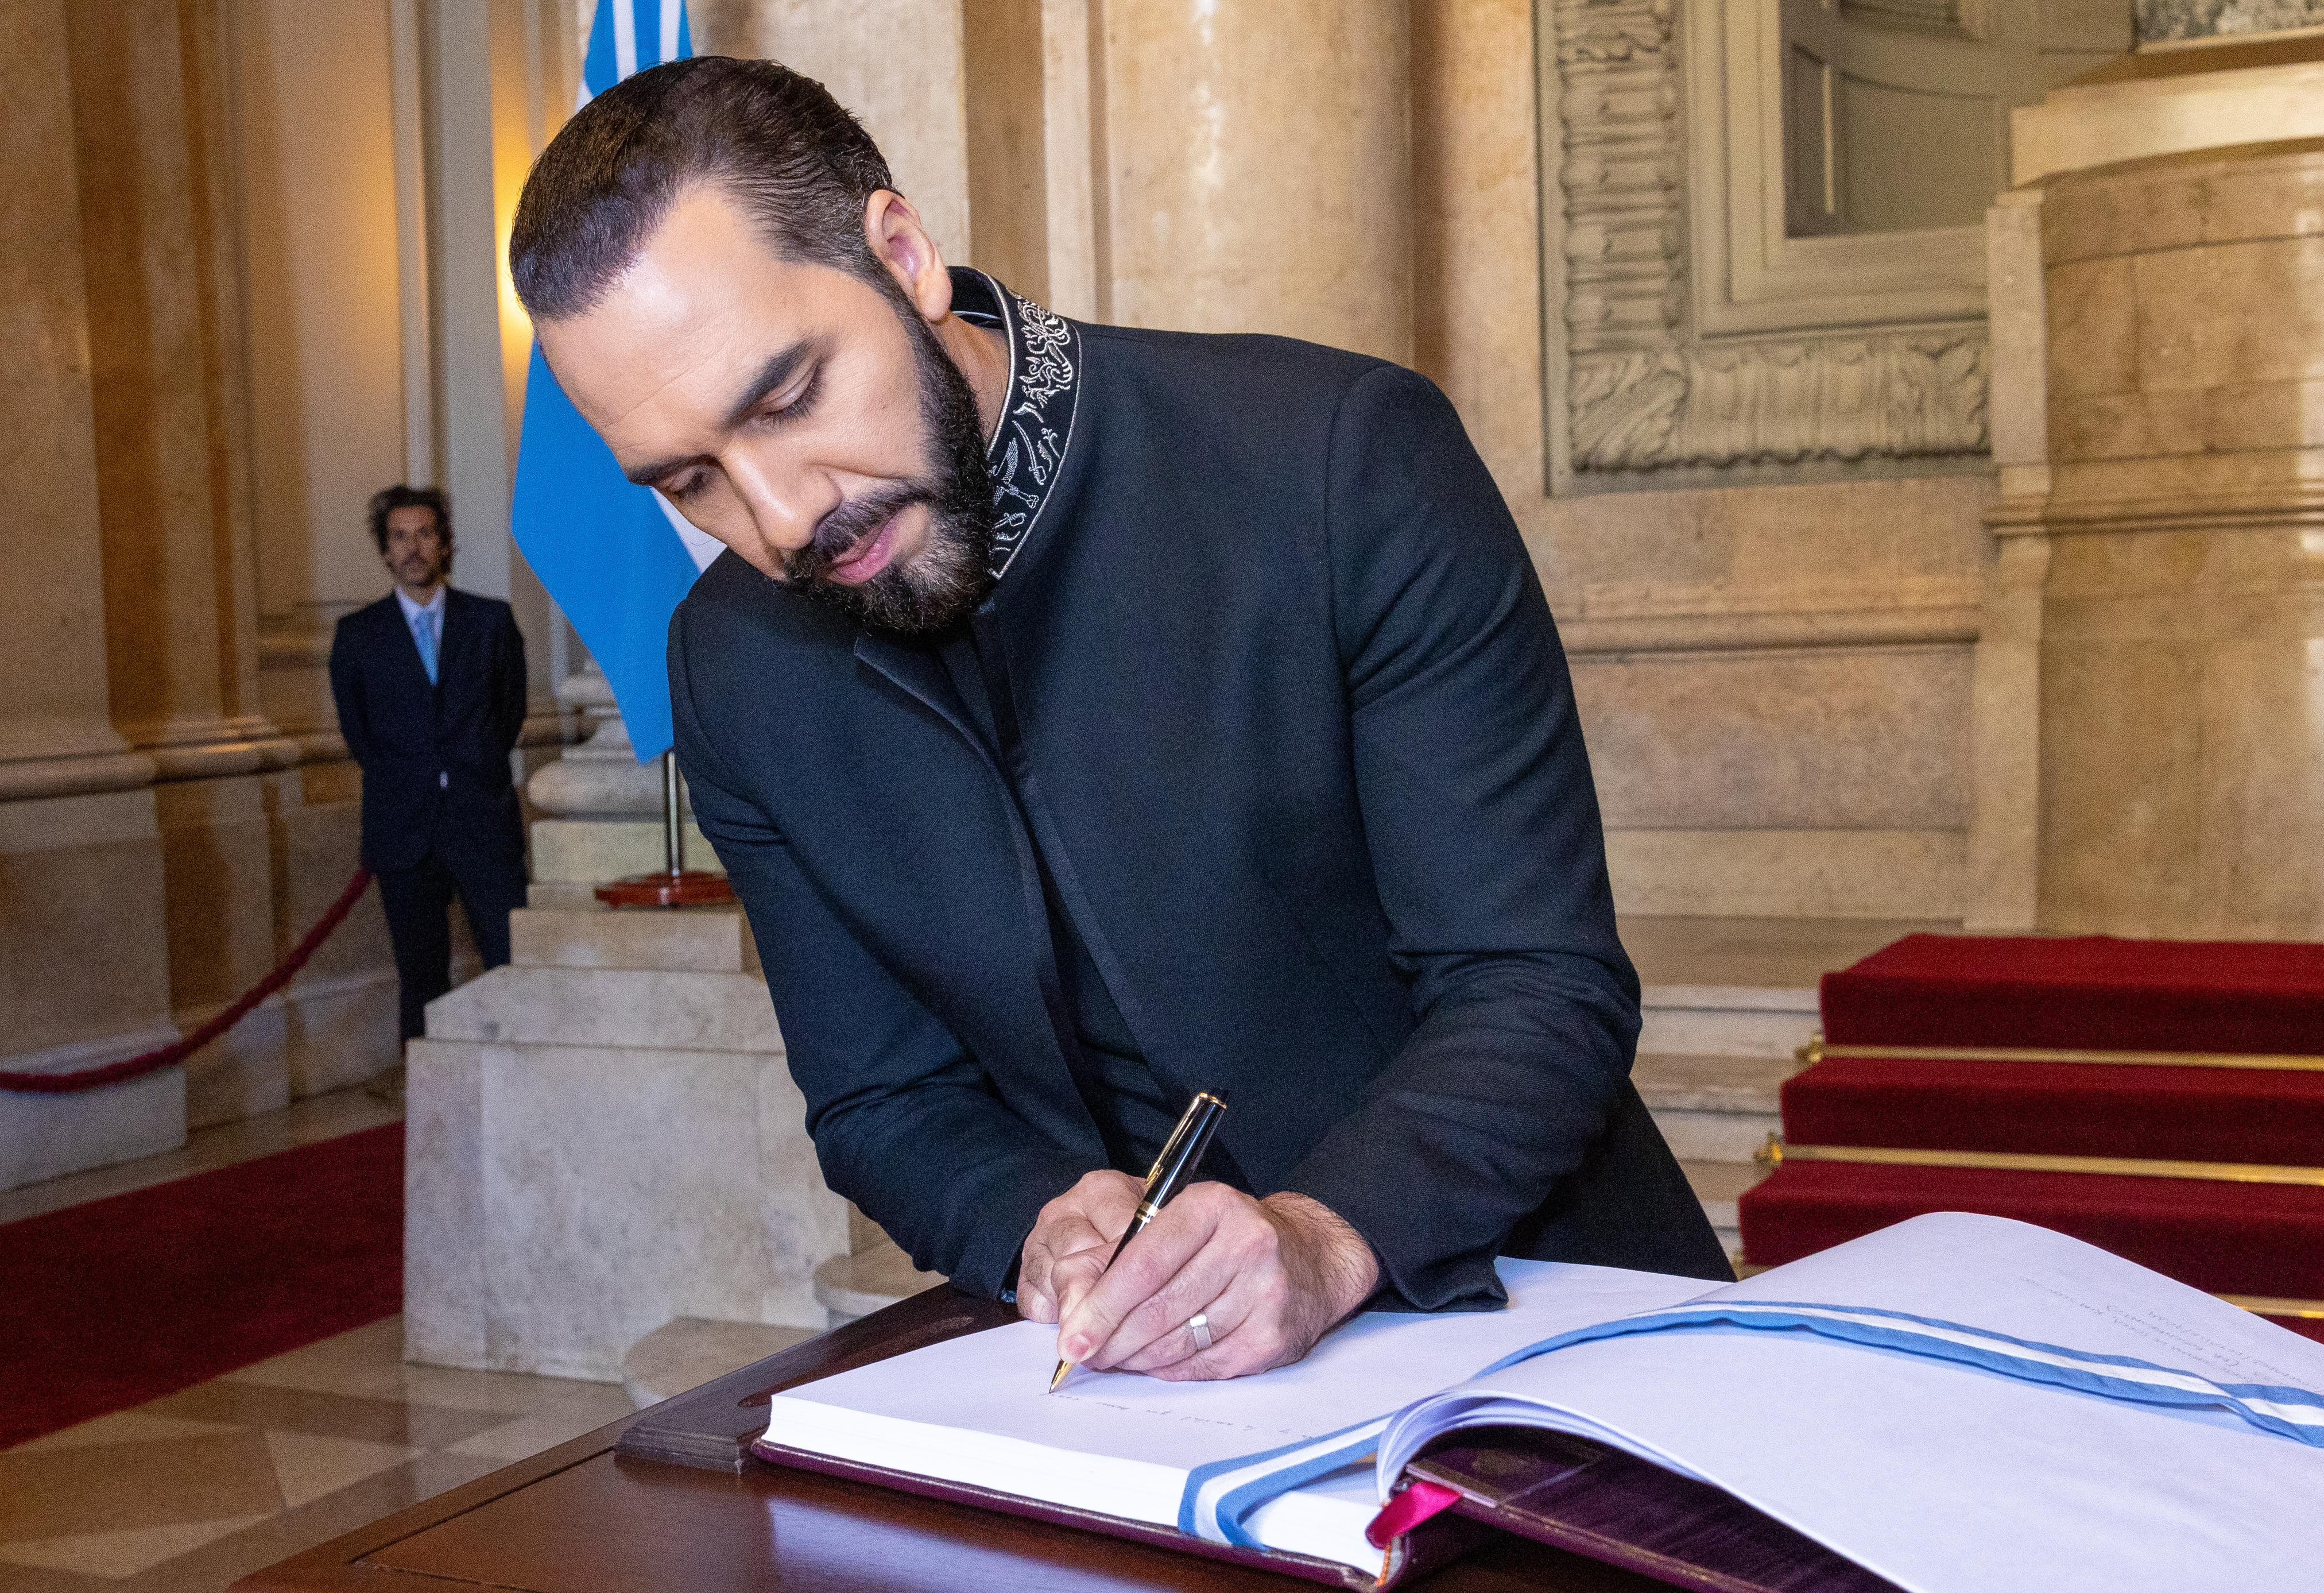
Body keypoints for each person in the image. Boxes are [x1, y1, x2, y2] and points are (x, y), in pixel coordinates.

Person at [509, 57, 1731, 1385]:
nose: (782, 516)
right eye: (690, 477)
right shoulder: (731, 663)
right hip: (1135, 1405)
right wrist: (1030, 1219)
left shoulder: (1337, 458)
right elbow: (880, 1098)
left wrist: (1327, 1235)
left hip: (1542, 1331)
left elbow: (1533, 983)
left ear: (903, 257)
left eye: (789, 397)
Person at [330, 486, 529, 1048]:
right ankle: (426, 1086)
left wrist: (470, 766)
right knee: (420, 974)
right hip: (402, 829)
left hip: (482, 820)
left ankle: (521, 1075)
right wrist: (412, 777)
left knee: (509, 958)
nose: (412, 548)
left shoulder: (491, 622)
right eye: (399, 537)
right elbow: (358, 732)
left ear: (444, 544)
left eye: (424, 534)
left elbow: (509, 712)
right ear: (385, 550)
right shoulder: (358, 636)